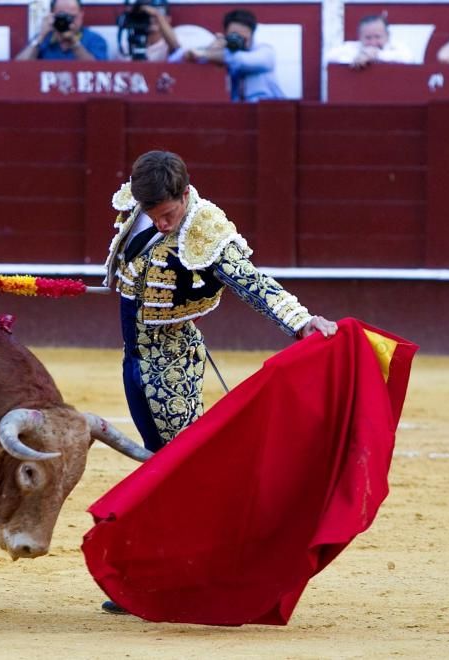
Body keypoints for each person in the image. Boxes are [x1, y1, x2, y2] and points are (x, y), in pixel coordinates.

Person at [100, 150, 337, 615]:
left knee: (177, 472)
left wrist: (301, 321)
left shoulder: (205, 232)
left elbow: (253, 282)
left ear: (186, 195)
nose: (162, 224)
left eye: (168, 214)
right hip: (137, 363)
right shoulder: (142, 206)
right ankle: (169, 572)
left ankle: (185, 575)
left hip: (171, 367)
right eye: (153, 215)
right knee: (163, 467)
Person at [178, 8, 283, 102]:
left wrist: (207, 54)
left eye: (242, 37)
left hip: (268, 111)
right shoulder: (219, 52)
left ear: (252, 34)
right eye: (234, 35)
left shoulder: (265, 52)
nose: (238, 40)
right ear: (226, 34)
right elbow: (177, 59)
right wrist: (210, 49)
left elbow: (241, 61)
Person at [15, 0, 108, 61]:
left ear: (81, 15)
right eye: (61, 17)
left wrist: (74, 44)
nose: (66, 22)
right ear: (52, 15)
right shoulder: (44, 39)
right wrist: (41, 36)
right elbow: (18, 68)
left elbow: (98, 71)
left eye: (71, 17)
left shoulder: (94, 40)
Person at [326, 14, 415, 69]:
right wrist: (358, 57)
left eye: (377, 37)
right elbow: (329, 57)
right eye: (368, 38)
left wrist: (375, 55)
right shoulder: (352, 48)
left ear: (387, 36)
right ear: (360, 37)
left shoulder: (398, 48)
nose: (373, 42)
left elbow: (408, 58)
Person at [116, 0, 182, 62]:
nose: (151, 19)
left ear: (168, 19)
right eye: (146, 15)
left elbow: (176, 48)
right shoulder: (126, 47)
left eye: (160, 12)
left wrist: (157, 15)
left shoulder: (167, 44)